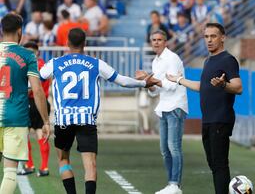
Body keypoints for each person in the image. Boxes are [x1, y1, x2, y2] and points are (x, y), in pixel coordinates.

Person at [39, 27, 159, 194]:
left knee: (63, 160)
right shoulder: (96, 63)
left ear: (66, 43)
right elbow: (122, 81)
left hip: (63, 121)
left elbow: (33, 81)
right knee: (90, 165)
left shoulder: (55, 63)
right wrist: (143, 83)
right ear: (85, 44)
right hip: (87, 120)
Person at [167, 23, 243, 194]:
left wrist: (224, 84)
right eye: (206, 37)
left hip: (221, 119)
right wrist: (179, 80)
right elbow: (203, 86)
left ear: (223, 37)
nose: (209, 40)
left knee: (219, 164)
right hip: (208, 120)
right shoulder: (208, 60)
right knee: (213, 163)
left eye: (213, 36)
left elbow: (238, 87)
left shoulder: (228, 60)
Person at [0, 13, 50, 194]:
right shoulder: (28, 56)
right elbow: (37, 90)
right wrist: (45, 120)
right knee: (10, 172)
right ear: (20, 31)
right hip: (16, 117)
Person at [135, 30, 188, 194]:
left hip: (175, 106)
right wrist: (147, 83)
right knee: (165, 149)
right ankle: (171, 184)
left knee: (174, 147)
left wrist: (152, 80)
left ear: (166, 42)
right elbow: (155, 91)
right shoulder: (156, 62)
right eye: (154, 40)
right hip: (164, 106)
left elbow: (172, 85)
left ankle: (175, 185)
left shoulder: (172, 58)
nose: (156, 42)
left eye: (159, 40)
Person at [17, 42, 51, 177]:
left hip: (32, 101)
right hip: (42, 102)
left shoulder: (30, 66)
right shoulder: (45, 66)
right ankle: (43, 167)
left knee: (25, 135)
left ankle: (30, 165)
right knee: (40, 133)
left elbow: (32, 88)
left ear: (37, 53)